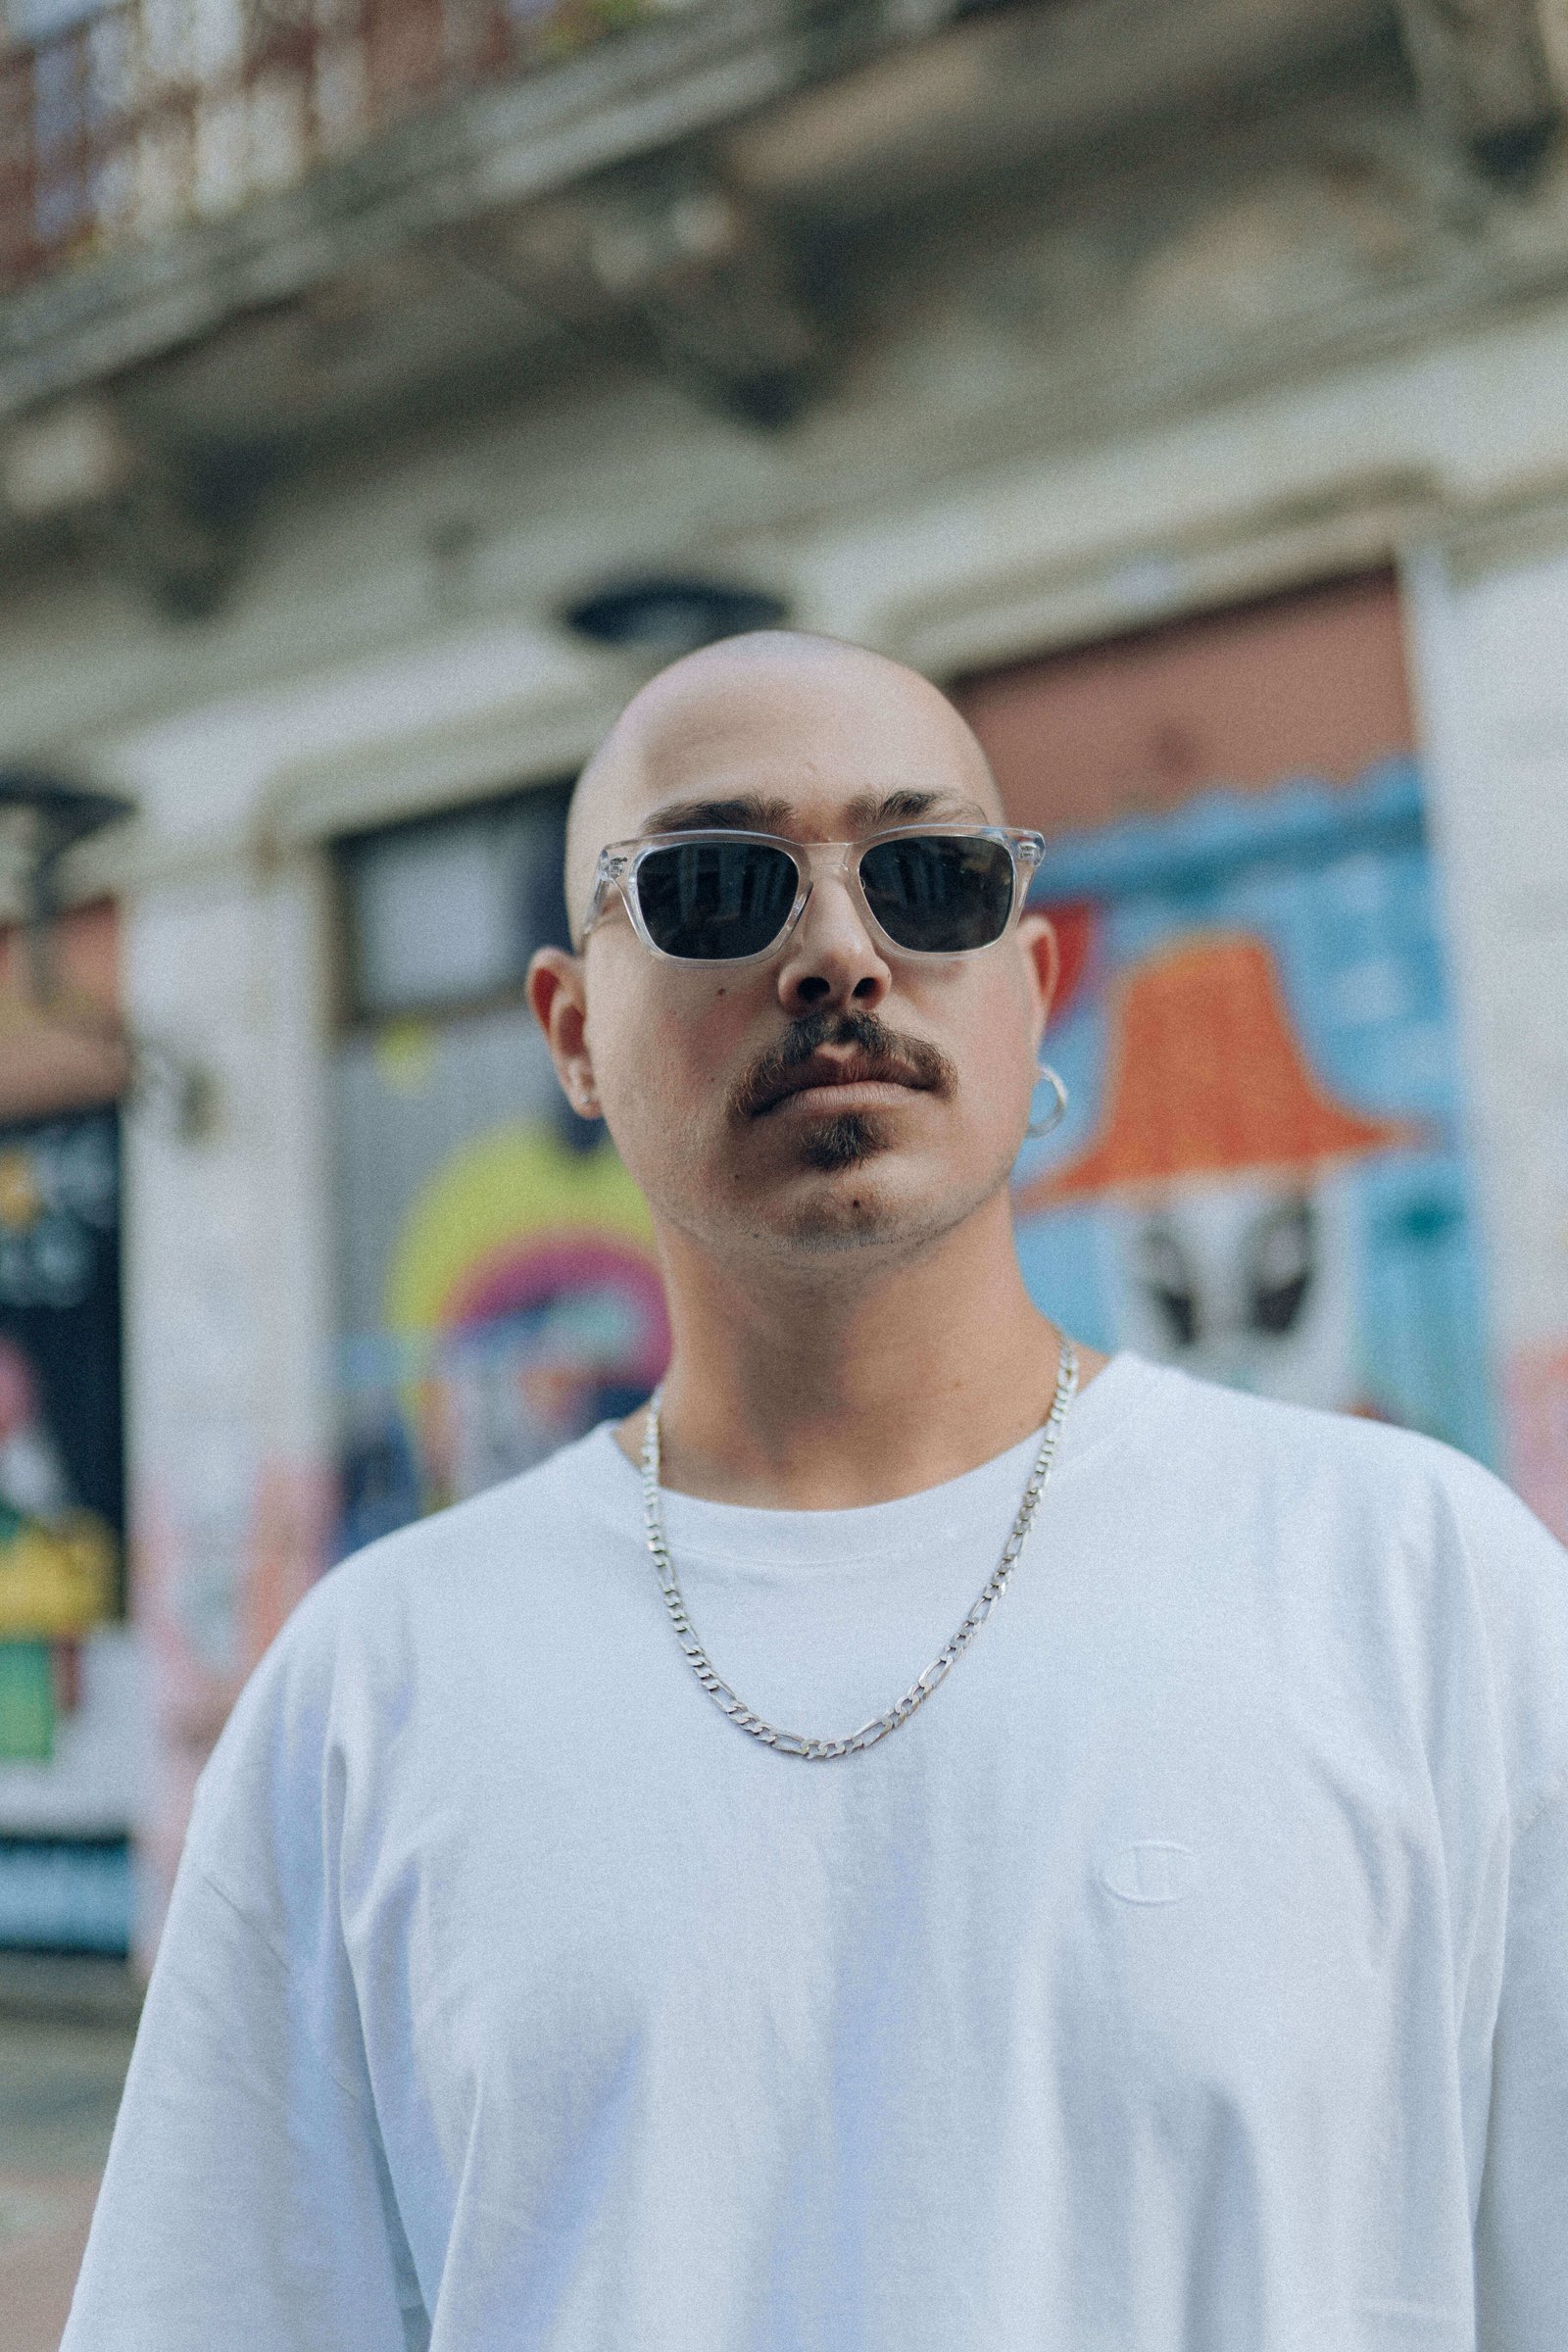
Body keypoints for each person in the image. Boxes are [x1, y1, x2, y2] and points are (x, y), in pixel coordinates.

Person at [66, 632, 1566, 2349]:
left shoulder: (1421, 1587)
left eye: (928, 880)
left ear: (1030, 980)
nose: (840, 952)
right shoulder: (371, 1693)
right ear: (571, 1028)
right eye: (720, 886)